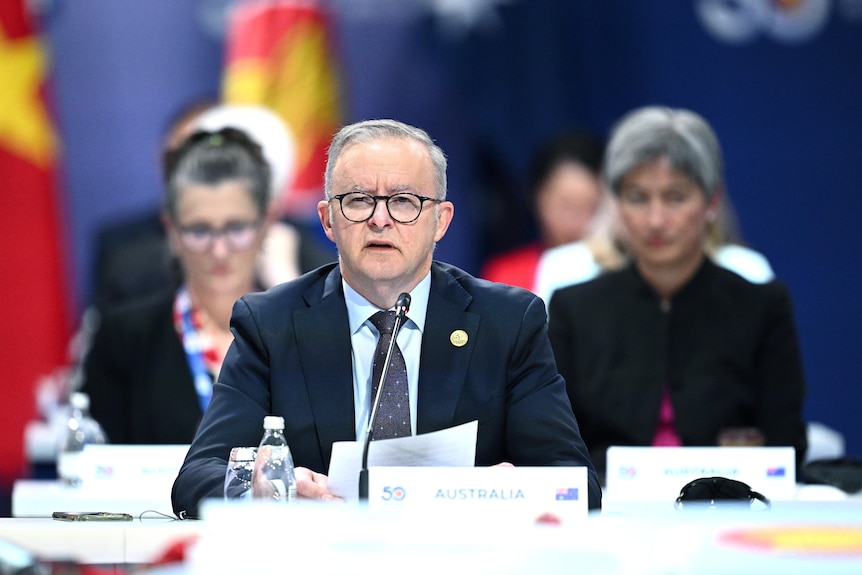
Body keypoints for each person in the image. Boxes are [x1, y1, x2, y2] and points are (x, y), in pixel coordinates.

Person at [171, 119, 601, 517]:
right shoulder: (270, 324)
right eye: (358, 200)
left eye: (403, 201)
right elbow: (197, 476)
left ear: (440, 220)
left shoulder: (507, 323)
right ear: (327, 220)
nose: (380, 219)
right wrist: (261, 485)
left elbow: (577, 484)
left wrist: (503, 491)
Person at [547, 106, 807, 474]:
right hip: (607, 515)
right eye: (638, 197)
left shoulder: (761, 306)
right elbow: (557, 448)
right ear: (616, 204)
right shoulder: (573, 309)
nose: (656, 220)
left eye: (675, 197)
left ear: (712, 202)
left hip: (732, 508)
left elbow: (785, 446)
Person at [81, 127, 275, 444]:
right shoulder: (124, 337)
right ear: (171, 229)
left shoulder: (303, 332)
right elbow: (96, 468)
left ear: (266, 223)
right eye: (199, 230)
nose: (219, 250)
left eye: (236, 228)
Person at [480, 131, 605, 292]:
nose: (573, 223)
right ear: (537, 197)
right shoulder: (504, 278)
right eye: (565, 206)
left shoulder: (619, 275)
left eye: (588, 208)